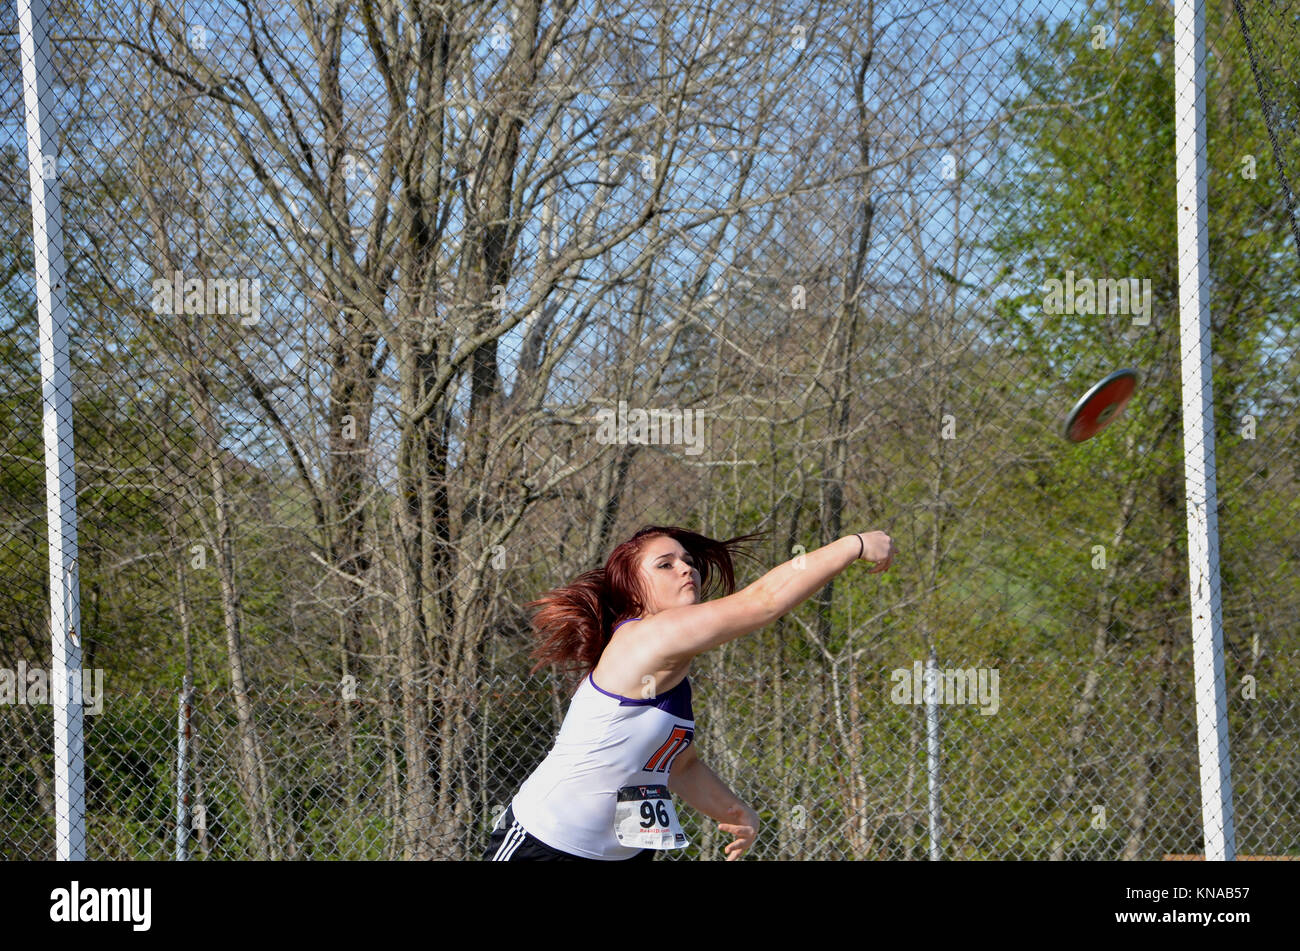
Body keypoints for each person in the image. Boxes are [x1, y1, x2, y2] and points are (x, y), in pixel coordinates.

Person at [484, 524, 896, 861]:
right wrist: (854, 545)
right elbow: (763, 602)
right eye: (665, 564)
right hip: (546, 845)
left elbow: (679, 765)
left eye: (688, 562)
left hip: (626, 854)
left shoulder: (672, 673)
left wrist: (733, 810)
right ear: (632, 592)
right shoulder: (645, 638)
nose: (687, 570)